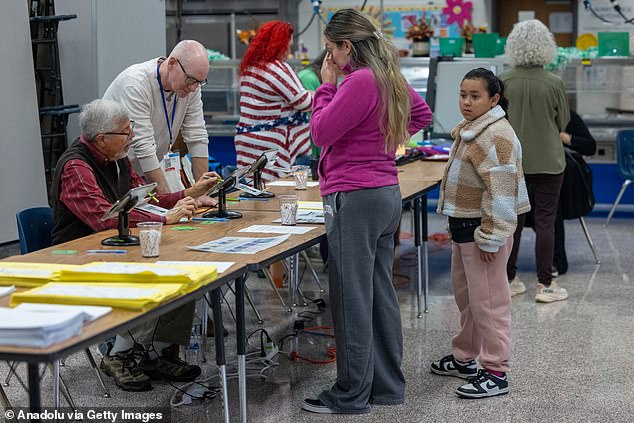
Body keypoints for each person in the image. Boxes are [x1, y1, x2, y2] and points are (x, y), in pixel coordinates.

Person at [301, 9, 432, 414]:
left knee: (350, 298)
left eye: (331, 49)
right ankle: (388, 387)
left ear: (347, 46)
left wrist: (326, 88)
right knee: (378, 294)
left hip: (354, 197)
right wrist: (381, 139)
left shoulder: (357, 80)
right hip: (386, 193)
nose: (330, 59)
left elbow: (321, 133)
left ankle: (351, 394)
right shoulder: (389, 76)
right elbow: (422, 114)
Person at [51, 99, 221, 392]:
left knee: (188, 271)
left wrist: (189, 193)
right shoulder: (76, 167)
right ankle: (119, 354)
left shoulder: (117, 159)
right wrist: (167, 218)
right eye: (126, 133)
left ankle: (153, 352)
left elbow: (145, 200)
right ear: (102, 139)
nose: (132, 138)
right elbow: (105, 218)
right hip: (80, 256)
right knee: (152, 276)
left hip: (114, 246)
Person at [431, 68, 529, 399]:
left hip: (483, 232)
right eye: (463, 95)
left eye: (475, 96)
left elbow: (502, 193)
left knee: (489, 303)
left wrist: (492, 236)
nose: (467, 102)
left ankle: (497, 370)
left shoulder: (495, 135)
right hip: (465, 229)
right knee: (468, 299)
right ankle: (465, 358)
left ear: (494, 99)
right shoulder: (473, 129)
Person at [500, 19, 570, 302]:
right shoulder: (554, 83)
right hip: (550, 162)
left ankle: (509, 279)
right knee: (545, 222)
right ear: (547, 46)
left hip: (512, 162)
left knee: (512, 223)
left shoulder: (502, 81)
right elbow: (562, 122)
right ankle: (545, 285)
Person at [103, 40, 211, 194]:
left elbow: (197, 135)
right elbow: (144, 148)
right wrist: (171, 202)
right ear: (172, 63)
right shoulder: (135, 84)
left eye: (200, 82)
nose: (193, 87)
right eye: (190, 79)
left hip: (146, 171)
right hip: (114, 173)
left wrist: (202, 192)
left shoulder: (190, 88)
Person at [235, 21, 313, 180]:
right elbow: (303, 102)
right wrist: (315, 93)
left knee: (253, 191)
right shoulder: (276, 69)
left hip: (248, 143)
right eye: (288, 46)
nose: (288, 51)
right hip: (270, 146)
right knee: (274, 195)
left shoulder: (250, 68)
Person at [553, 110, 596, 275]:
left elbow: (590, 146)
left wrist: (565, 138)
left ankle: (556, 260)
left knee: (551, 204)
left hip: (569, 187)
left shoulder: (567, 116)